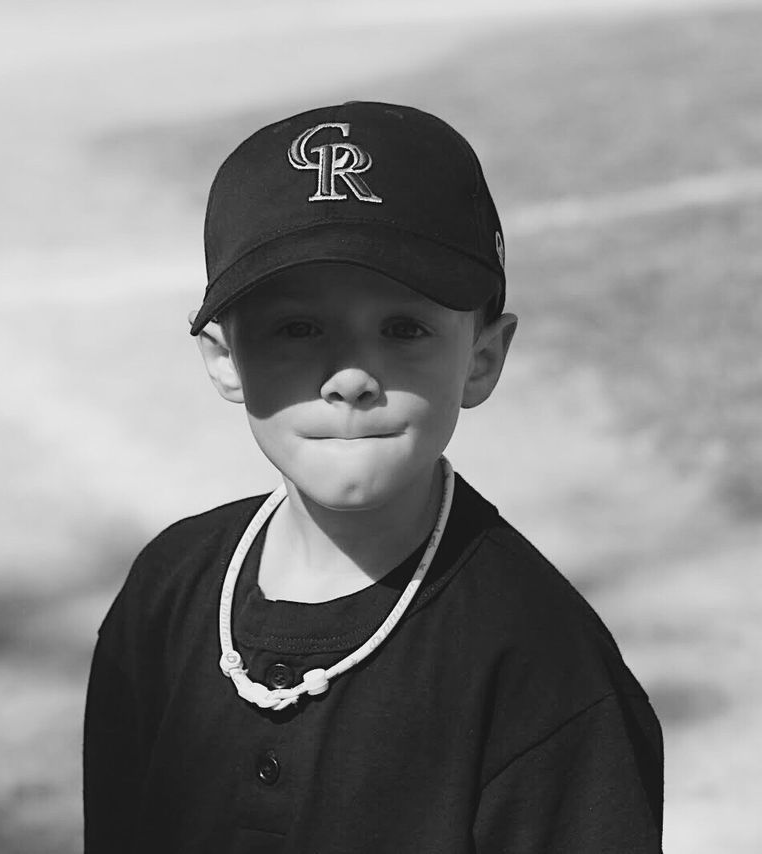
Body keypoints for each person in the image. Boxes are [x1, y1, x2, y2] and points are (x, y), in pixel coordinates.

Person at [83, 102, 663, 853]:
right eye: (297, 328)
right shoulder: (168, 594)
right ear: (225, 359)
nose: (351, 378)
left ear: (483, 358)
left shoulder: (542, 667)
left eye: (404, 329)